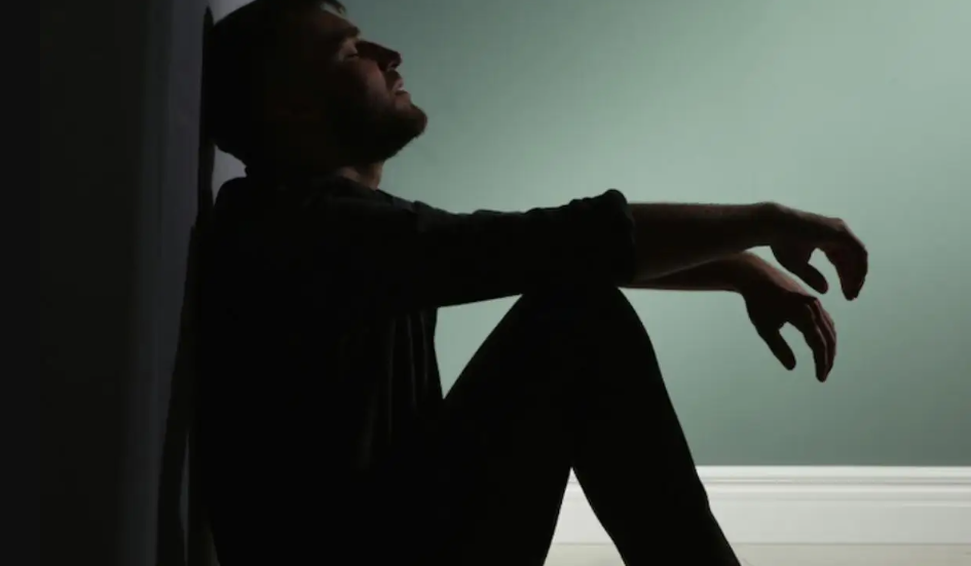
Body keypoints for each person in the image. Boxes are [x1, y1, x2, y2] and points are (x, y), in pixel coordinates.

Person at [197, 1, 868, 565]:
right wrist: (765, 222)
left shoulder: (317, 223)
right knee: (577, 320)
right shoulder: (305, 232)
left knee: (574, 304)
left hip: (397, 537)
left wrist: (739, 269)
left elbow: (536, 253)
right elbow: (557, 245)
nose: (388, 54)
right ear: (289, 107)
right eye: (350, 52)